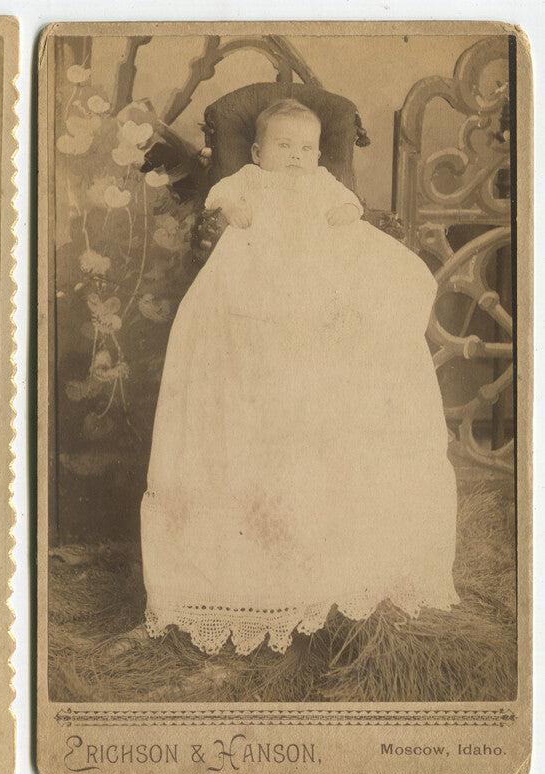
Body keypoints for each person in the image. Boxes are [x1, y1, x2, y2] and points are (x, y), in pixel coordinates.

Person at [140, 99, 458, 656]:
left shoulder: (322, 184)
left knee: (383, 284)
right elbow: (220, 199)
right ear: (259, 152)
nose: (296, 158)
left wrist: (342, 215)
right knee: (237, 324)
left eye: (306, 148)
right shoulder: (248, 181)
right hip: (254, 277)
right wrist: (233, 212)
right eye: (283, 147)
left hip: (315, 281)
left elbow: (347, 209)